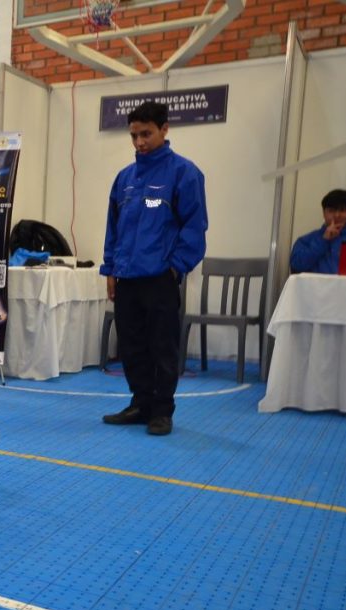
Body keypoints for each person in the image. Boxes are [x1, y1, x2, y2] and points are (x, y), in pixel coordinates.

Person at [100, 101, 207, 436]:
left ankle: (162, 411)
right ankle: (140, 403)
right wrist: (110, 270)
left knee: (162, 346)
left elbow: (194, 228)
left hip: (160, 278)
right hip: (127, 278)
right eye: (134, 135)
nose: (139, 142)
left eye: (146, 134)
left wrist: (174, 269)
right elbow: (113, 228)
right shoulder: (124, 178)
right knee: (131, 345)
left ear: (164, 129)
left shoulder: (185, 173)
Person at [289, 189, 346, 274]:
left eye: (342, 210)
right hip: (313, 287)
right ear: (323, 212)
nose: (337, 215)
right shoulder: (305, 241)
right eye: (331, 210)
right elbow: (296, 266)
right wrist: (323, 240)